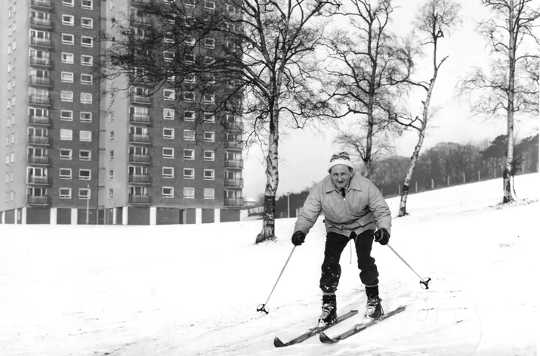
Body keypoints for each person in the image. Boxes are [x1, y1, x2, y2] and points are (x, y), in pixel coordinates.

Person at [291, 151, 391, 326]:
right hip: (337, 228)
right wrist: (300, 231)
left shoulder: (365, 186)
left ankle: (374, 302)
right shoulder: (321, 189)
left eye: (343, 173)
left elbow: (380, 209)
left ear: (351, 172)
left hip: (363, 225)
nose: (339, 178)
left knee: (365, 260)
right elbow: (308, 213)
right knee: (329, 263)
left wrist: (383, 229)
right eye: (335, 174)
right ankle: (329, 307)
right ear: (330, 174)